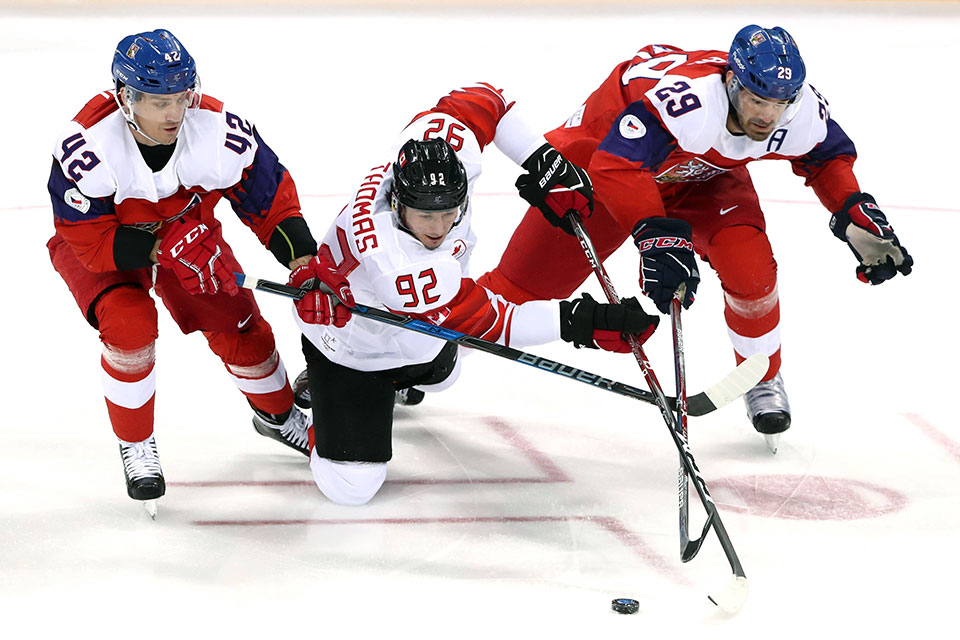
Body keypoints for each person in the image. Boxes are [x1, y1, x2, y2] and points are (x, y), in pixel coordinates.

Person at [477, 25, 913, 451]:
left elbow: (827, 156)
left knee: (752, 270)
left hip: (701, 175)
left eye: (778, 104)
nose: (766, 115)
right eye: (756, 99)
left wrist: (850, 206)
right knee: (520, 293)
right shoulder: (691, 101)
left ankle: (761, 374)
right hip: (605, 169)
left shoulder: (797, 110)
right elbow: (616, 165)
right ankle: (427, 348)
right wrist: (656, 234)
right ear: (730, 81)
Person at [288, 83, 659, 505]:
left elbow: (485, 101)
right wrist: (580, 322)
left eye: (450, 211)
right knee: (353, 488)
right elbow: (497, 323)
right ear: (398, 204)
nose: (440, 227)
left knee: (443, 372)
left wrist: (543, 160)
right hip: (349, 347)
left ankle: (400, 380)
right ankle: (322, 399)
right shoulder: (399, 264)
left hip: (412, 327)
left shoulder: (436, 149)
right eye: (426, 215)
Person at [46, 29, 348, 508]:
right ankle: (136, 443)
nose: (174, 113)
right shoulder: (87, 145)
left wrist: (304, 261)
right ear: (127, 97)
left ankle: (277, 415)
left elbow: (269, 198)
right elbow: (91, 243)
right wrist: (163, 247)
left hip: (191, 236)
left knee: (238, 322)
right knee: (129, 326)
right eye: (159, 101)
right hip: (107, 246)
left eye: (181, 96)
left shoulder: (217, 130)